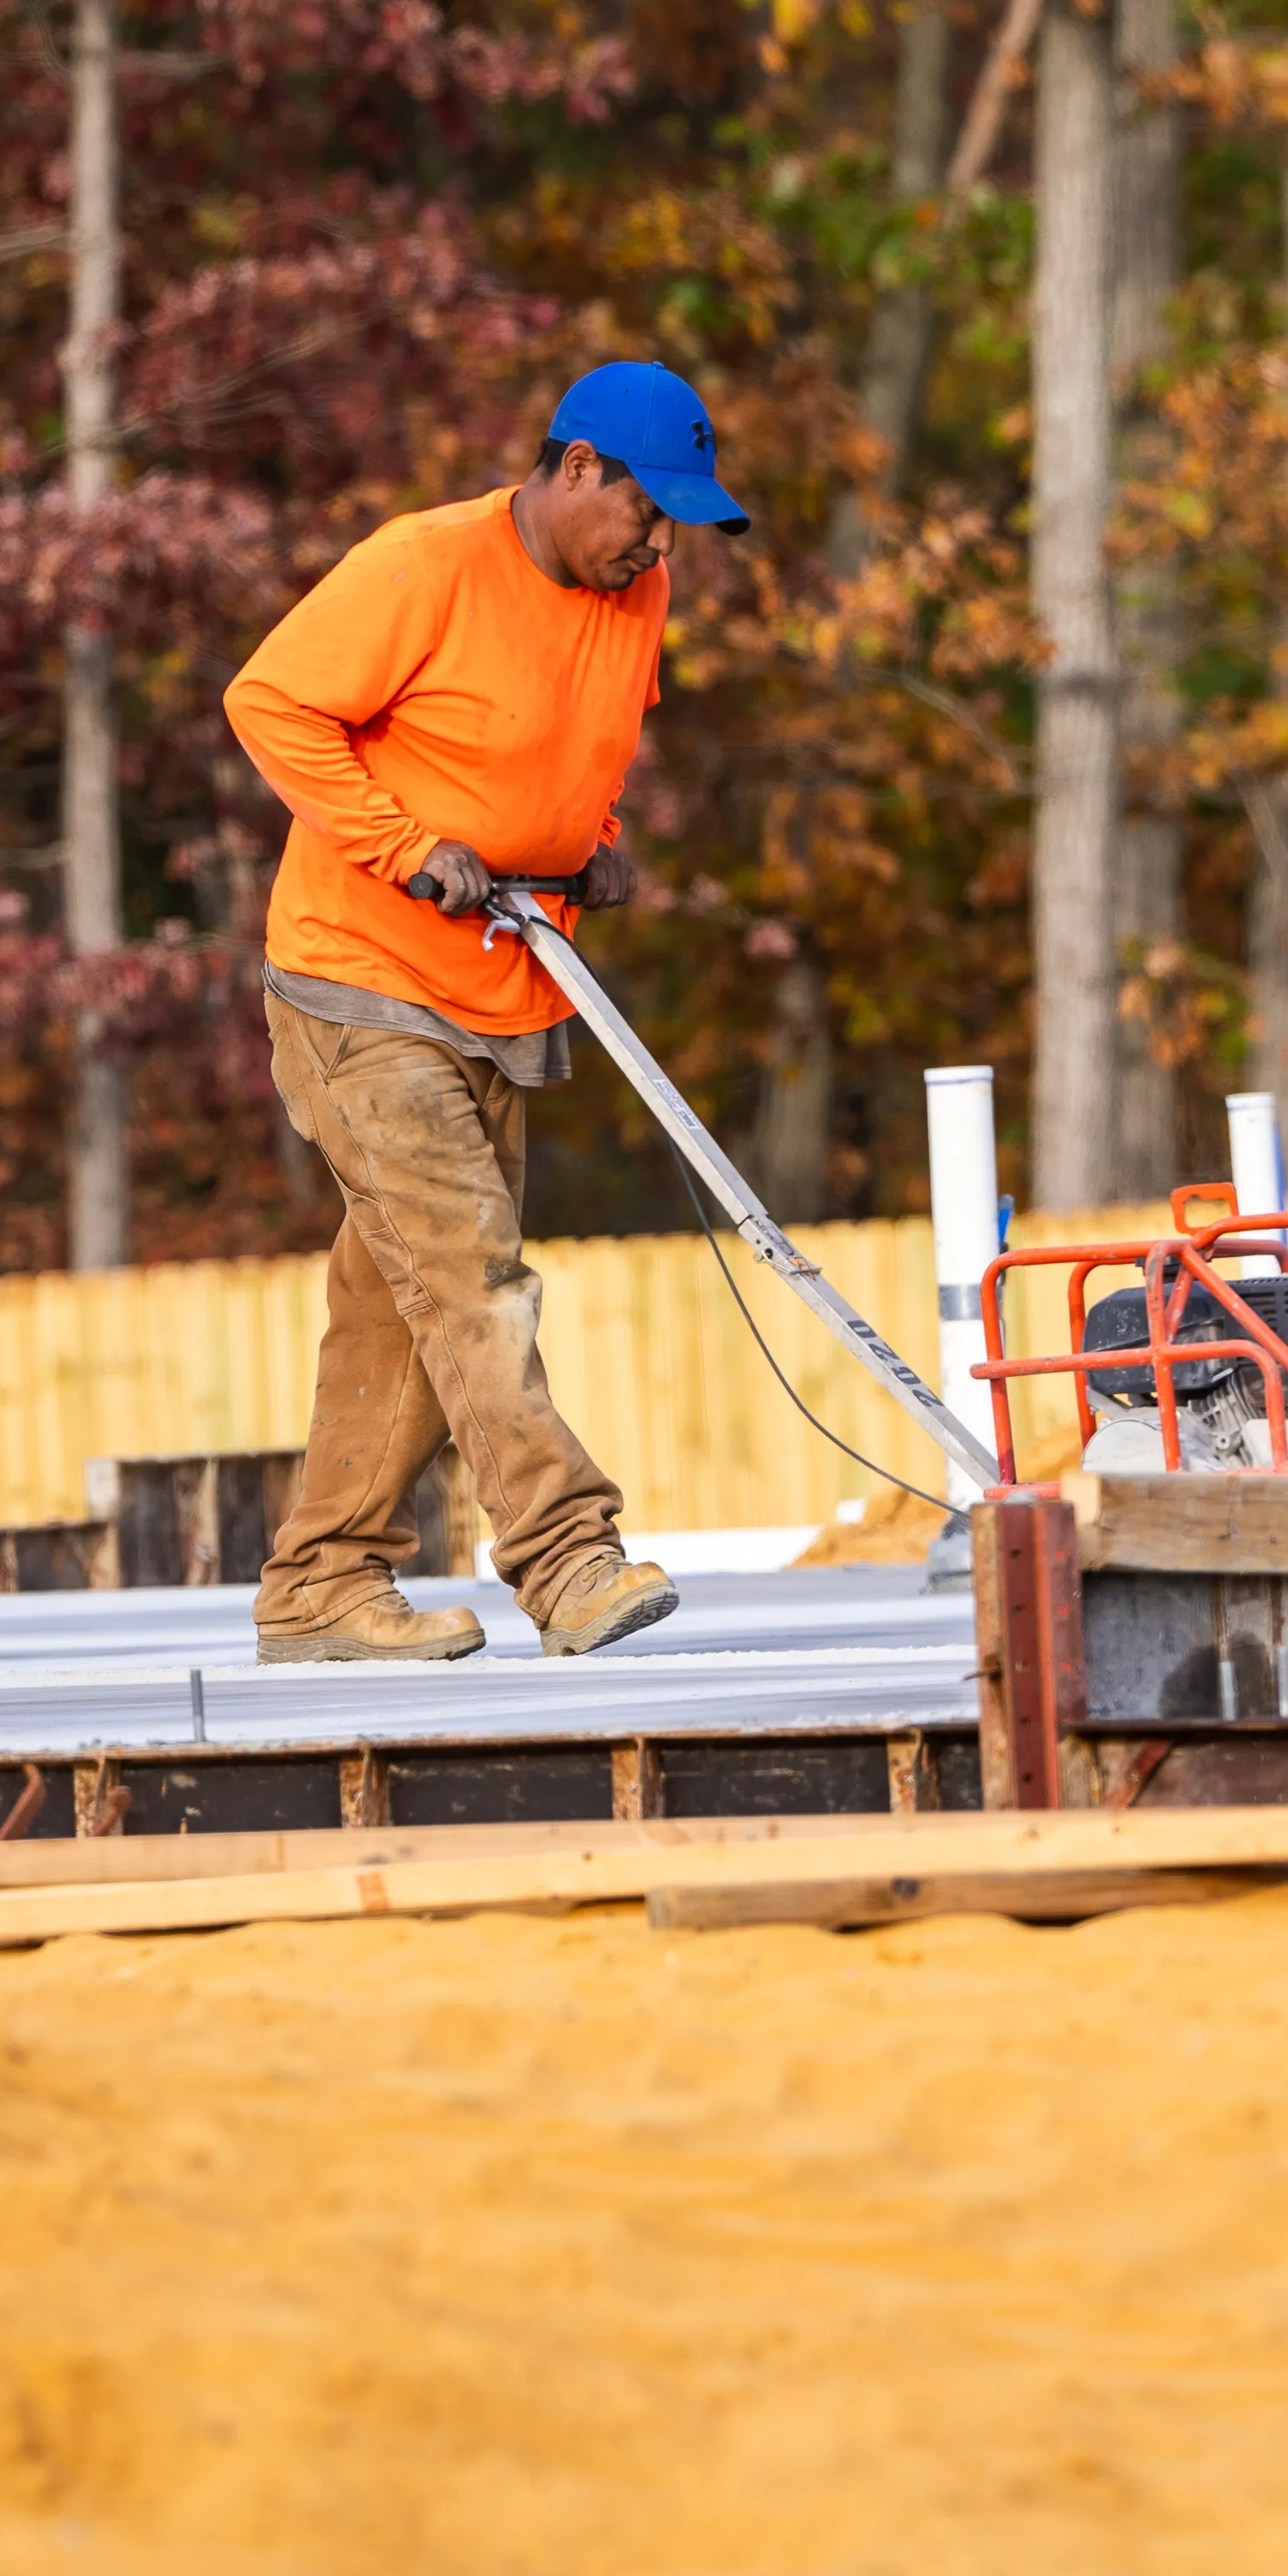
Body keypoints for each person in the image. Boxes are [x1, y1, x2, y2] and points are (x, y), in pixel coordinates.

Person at [223, 361, 750, 1663]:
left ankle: (320, 1588)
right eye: (646, 508)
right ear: (577, 469)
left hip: (509, 983)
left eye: (679, 519)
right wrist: (404, 843)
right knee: (470, 1277)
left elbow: (583, 745)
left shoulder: (640, 593)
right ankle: (567, 1560)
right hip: (362, 980)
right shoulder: (426, 565)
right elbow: (270, 703)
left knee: (405, 1302)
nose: (660, 539)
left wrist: (596, 841)